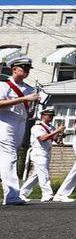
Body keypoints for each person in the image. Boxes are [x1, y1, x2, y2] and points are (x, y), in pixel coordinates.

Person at [0, 56, 38, 205]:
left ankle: (12, 194)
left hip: (21, 123)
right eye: (24, 69)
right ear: (14, 69)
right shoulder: (4, 86)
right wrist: (23, 99)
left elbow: (30, 112)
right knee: (10, 158)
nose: (27, 71)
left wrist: (35, 102)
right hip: (5, 122)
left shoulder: (29, 88)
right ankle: (12, 195)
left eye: (28, 69)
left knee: (8, 158)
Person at [21, 107, 64, 202]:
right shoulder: (37, 127)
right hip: (38, 152)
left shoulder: (51, 128)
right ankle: (47, 194)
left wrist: (60, 136)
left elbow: (56, 140)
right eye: (49, 115)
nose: (51, 117)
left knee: (36, 175)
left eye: (52, 116)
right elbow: (42, 138)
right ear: (43, 116)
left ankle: (22, 193)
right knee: (44, 174)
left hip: (47, 152)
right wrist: (56, 131)